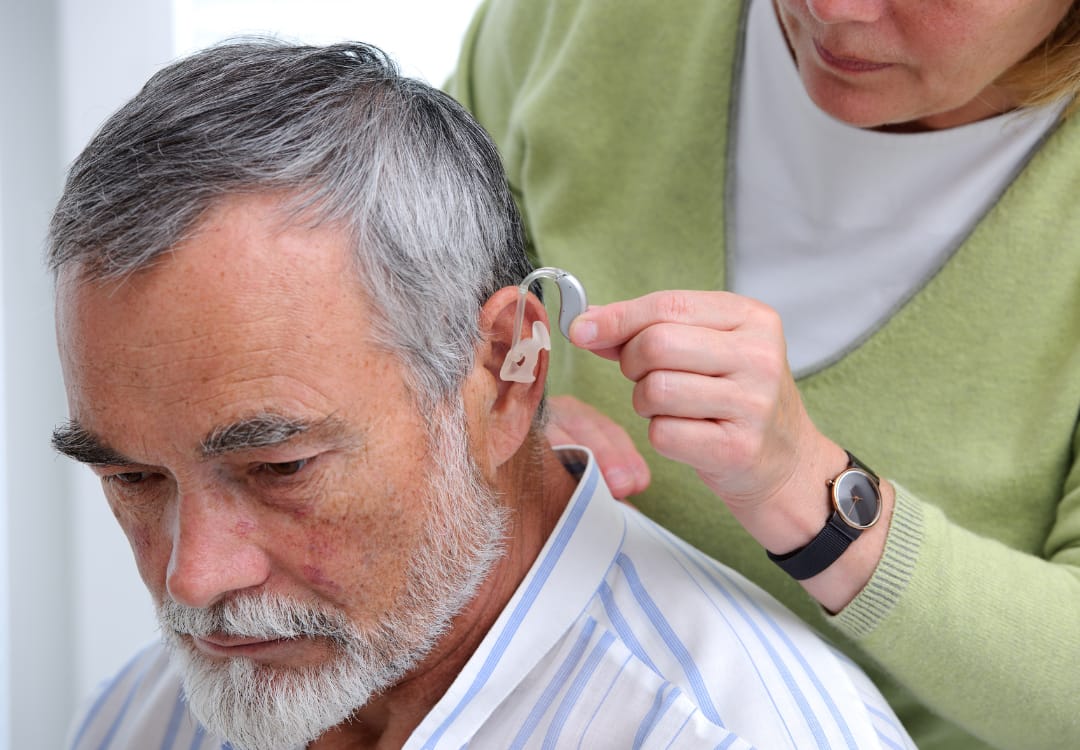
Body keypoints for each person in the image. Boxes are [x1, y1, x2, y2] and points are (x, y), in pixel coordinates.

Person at [48, 40, 915, 750]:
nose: (192, 578)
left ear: (507, 375)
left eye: (278, 466)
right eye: (133, 480)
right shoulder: (143, 718)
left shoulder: (752, 735)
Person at [445, 1, 1080, 749]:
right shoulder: (584, 20)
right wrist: (486, 405)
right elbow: (412, 292)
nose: (833, 8)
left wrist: (814, 498)